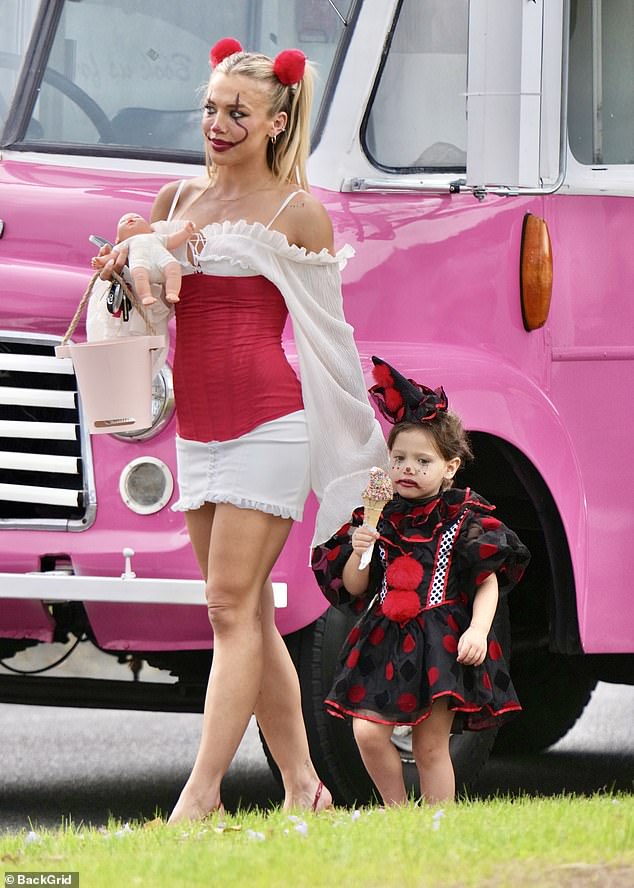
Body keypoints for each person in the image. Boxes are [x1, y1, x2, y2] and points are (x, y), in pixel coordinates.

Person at [96, 37, 387, 822]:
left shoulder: (298, 214)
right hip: (197, 428)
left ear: (276, 121)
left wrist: (359, 444)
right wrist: (128, 268)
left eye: (238, 113)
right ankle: (304, 789)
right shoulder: (174, 201)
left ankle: (200, 798)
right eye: (211, 109)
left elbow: (328, 337)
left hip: (270, 424)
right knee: (247, 612)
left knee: (227, 606)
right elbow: (155, 323)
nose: (217, 125)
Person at [311, 356, 530, 807]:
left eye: (422, 460)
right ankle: (397, 811)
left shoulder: (464, 518)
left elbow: (487, 580)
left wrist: (478, 629)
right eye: (399, 459)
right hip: (384, 637)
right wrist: (359, 549)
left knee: (431, 745)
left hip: (440, 639)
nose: (408, 468)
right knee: (368, 731)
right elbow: (354, 588)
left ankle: (437, 824)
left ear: (449, 468)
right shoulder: (377, 516)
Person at [92, 213, 195, 305]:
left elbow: (173, 240)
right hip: (141, 264)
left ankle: (172, 292)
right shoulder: (125, 243)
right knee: (139, 275)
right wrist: (101, 261)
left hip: (163, 259)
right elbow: (111, 257)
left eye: (137, 217)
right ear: (118, 239)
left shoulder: (157, 237)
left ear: (150, 229)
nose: (130, 219)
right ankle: (146, 296)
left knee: (174, 266)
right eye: (123, 221)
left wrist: (185, 232)